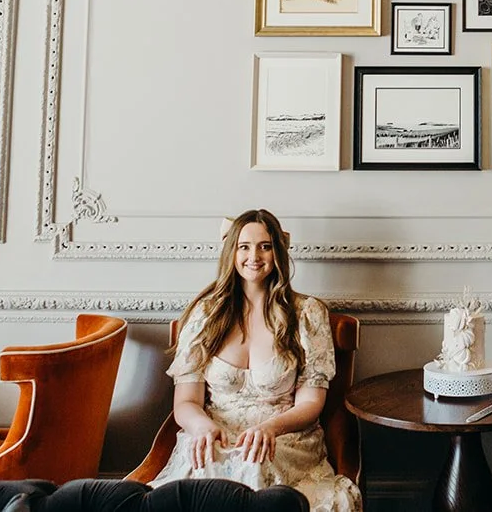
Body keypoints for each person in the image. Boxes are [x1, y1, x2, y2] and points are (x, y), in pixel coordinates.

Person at [151, 209, 361, 512]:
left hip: (284, 437)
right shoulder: (205, 315)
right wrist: (202, 428)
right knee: (211, 470)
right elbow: (186, 402)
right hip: (214, 437)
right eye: (244, 247)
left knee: (256, 462)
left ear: (278, 252)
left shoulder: (306, 313)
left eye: (265, 246)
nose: (254, 256)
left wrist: (270, 429)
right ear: (232, 252)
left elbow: (311, 402)